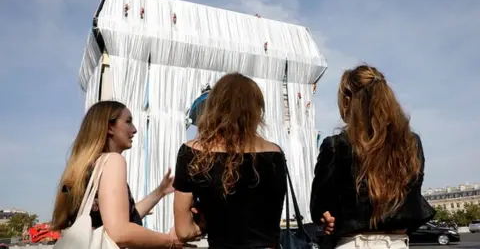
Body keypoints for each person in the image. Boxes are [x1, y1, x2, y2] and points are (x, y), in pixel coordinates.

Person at [310, 65, 435, 249]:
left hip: (353, 243)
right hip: (398, 243)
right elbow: (412, 196)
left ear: (347, 100)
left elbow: (318, 207)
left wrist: (326, 216)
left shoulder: (336, 145)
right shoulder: (411, 143)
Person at [172, 72, 287, 249]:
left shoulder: (192, 153)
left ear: (214, 107)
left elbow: (184, 231)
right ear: (257, 110)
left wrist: (204, 222)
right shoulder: (275, 154)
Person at [51, 100, 185, 248]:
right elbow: (119, 231)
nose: (134, 129)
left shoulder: (83, 168)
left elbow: (114, 218)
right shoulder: (113, 161)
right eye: (128, 122)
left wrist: (159, 192)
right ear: (110, 128)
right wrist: (170, 241)